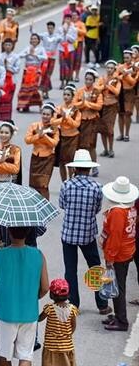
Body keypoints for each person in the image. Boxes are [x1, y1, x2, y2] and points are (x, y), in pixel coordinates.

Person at [0, 226, 49, 366]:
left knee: (5, 354)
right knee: (25, 355)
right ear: (28, 232)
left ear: (8, 231)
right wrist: (32, 297)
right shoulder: (38, 255)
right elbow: (45, 288)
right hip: (29, 312)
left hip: (5, 312)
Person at [60, 149, 111, 313]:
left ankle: (73, 304)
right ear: (89, 169)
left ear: (74, 169)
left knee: (70, 270)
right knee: (95, 267)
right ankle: (102, 305)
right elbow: (97, 208)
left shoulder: (66, 185)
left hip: (68, 234)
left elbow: (62, 205)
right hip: (88, 234)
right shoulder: (97, 187)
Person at [100, 176, 139, 331]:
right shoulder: (130, 208)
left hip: (119, 253)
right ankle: (117, 315)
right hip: (128, 250)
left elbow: (115, 236)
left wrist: (110, 257)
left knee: (118, 287)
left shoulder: (117, 212)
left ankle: (121, 320)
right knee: (118, 285)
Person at [38, 279, 79, 366]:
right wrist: (67, 336)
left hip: (50, 346)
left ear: (52, 295)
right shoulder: (73, 309)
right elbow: (73, 326)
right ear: (68, 294)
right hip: (67, 346)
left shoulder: (49, 308)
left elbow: (39, 319)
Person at [25, 102, 60, 199]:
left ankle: (45, 206)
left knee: (43, 185)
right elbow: (27, 140)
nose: (45, 116)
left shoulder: (54, 128)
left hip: (48, 158)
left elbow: (54, 143)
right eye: (43, 114)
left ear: (52, 115)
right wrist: (37, 136)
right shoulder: (34, 126)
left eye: (48, 114)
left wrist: (43, 136)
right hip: (35, 157)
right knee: (33, 185)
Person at [72, 69, 103, 170]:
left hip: (92, 121)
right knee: (80, 145)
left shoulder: (97, 92)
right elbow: (74, 103)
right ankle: (80, 166)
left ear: (93, 81)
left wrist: (87, 104)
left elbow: (99, 106)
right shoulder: (80, 91)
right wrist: (82, 103)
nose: (88, 81)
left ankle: (94, 166)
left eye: (90, 79)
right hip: (81, 120)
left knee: (91, 145)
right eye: (86, 79)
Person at [51, 86, 82, 182]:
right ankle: (64, 182)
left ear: (72, 96)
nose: (66, 96)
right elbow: (53, 122)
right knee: (61, 162)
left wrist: (67, 118)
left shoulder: (75, 109)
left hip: (73, 137)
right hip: (61, 136)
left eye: (68, 95)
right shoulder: (59, 108)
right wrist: (63, 118)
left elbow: (76, 124)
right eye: (64, 94)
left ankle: (71, 180)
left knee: (70, 161)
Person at [17, 33, 47, 112]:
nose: (34, 40)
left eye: (35, 39)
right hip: (27, 71)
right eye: (32, 39)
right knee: (25, 89)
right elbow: (19, 55)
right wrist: (27, 54)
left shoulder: (41, 49)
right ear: (30, 40)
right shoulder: (27, 48)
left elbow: (45, 57)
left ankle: (40, 104)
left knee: (34, 88)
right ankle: (24, 105)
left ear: (38, 40)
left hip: (36, 71)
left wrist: (36, 55)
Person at [98, 60, 121, 158]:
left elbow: (117, 92)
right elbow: (97, 88)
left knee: (109, 129)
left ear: (114, 69)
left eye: (111, 68)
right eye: (108, 68)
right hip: (102, 106)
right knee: (102, 129)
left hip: (112, 106)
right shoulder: (102, 78)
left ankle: (111, 149)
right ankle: (105, 149)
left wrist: (107, 85)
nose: (109, 70)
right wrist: (103, 85)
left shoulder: (117, 80)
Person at [36, 21, 60, 100]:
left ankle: (46, 91)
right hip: (45, 58)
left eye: (51, 28)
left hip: (52, 58)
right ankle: (44, 92)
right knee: (44, 74)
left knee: (48, 75)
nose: (50, 29)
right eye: (48, 28)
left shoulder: (57, 36)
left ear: (54, 28)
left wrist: (65, 32)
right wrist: (31, 28)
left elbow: (63, 39)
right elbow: (35, 35)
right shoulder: (44, 35)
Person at [117, 50, 137, 142]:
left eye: (127, 58)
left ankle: (127, 134)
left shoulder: (135, 68)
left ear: (132, 58)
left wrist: (125, 75)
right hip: (120, 91)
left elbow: (133, 82)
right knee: (120, 113)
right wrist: (124, 75)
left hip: (130, 92)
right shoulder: (120, 67)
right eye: (124, 57)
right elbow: (116, 77)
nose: (125, 59)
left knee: (128, 113)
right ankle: (121, 134)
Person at [0, 38, 20, 121]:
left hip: (11, 81)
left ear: (12, 46)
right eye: (6, 45)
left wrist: (8, 66)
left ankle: (8, 119)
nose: (7, 47)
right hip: (2, 81)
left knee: (9, 100)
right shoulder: (0, 56)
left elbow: (17, 70)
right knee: (1, 100)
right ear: (3, 46)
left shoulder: (16, 56)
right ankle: (1, 119)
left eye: (9, 45)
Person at [57, 15, 78, 90]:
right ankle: (62, 82)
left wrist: (67, 34)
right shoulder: (60, 29)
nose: (67, 20)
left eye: (69, 19)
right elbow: (59, 39)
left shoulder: (74, 29)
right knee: (62, 66)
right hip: (62, 49)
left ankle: (67, 82)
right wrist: (64, 33)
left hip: (70, 49)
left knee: (69, 65)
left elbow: (73, 40)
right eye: (66, 19)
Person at [71, 11, 86, 82]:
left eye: (75, 15)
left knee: (78, 59)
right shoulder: (69, 24)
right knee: (70, 60)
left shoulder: (81, 24)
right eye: (72, 15)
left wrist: (77, 29)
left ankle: (77, 76)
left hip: (79, 42)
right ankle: (70, 75)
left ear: (78, 16)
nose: (74, 17)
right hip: (71, 43)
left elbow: (84, 32)